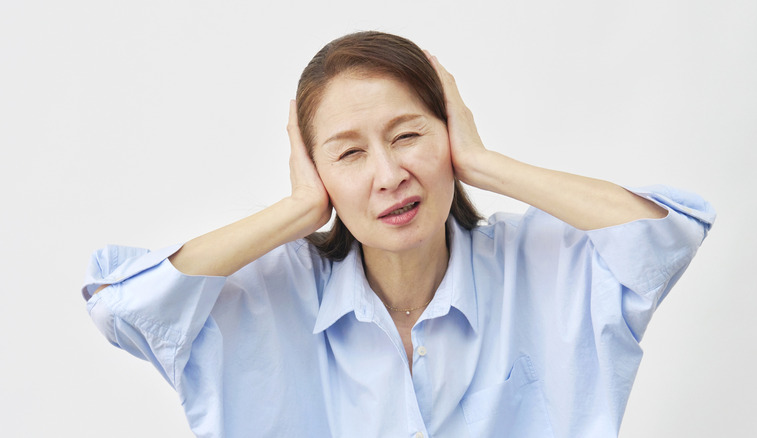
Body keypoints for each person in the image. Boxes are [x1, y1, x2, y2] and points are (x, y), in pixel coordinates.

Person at [82, 31, 715, 437]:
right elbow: (123, 306)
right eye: (349, 154)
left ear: (449, 135)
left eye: (409, 135)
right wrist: (302, 208)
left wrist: (485, 164)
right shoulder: (265, 297)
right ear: (314, 167)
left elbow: (666, 237)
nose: (390, 175)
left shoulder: (544, 266)